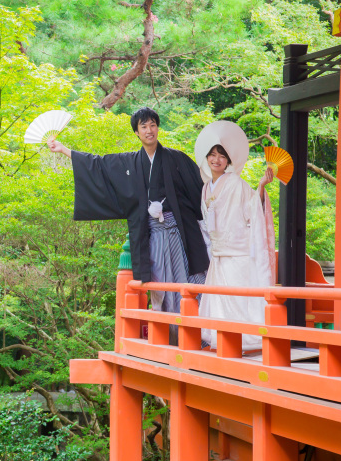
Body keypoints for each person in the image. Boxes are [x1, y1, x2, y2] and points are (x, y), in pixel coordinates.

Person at [47, 107, 209, 344]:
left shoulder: (177, 159)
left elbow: (201, 190)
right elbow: (98, 164)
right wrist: (63, 150)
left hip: (177, 234)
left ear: (158, 127)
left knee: (185, 281)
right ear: (136, 132)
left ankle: (196, 336)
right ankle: (167, 337)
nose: (149, 130)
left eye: (152, 124)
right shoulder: (129, 162)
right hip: (151, 235)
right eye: (143, 126)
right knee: (159, 287)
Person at [193, 121, 276, 351]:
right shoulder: (205, 188)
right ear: (206, 158)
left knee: (237, 301)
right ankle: (221, 341)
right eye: (212, 155)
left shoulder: (237, 184)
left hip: (236, 255)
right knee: (219, 300)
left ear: (228, 160)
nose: (216, 160)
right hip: (218, 255)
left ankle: (243, 342)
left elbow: (253, 210)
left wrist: (260, 187)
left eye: (221, 156)